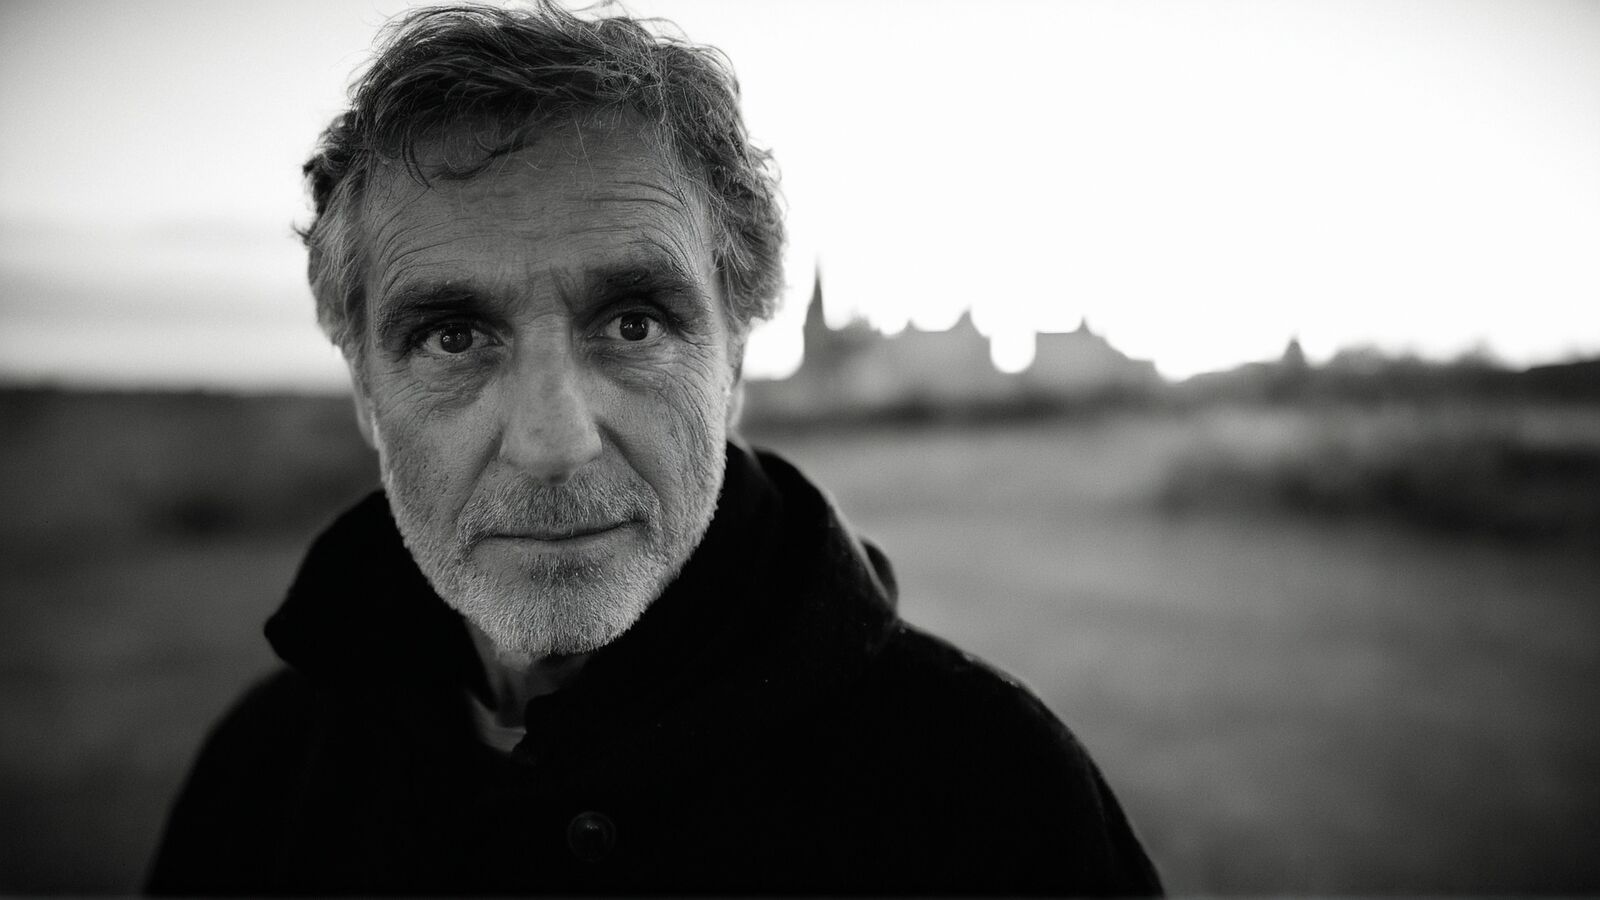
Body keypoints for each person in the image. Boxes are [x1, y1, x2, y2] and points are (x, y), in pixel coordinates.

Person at [146, 3, 1161, 894]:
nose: (552, 443)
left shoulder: (988, 799)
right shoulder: (265, 778)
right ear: (368, 393)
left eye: (632, 323)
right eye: (453, 337)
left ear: (733, 366)